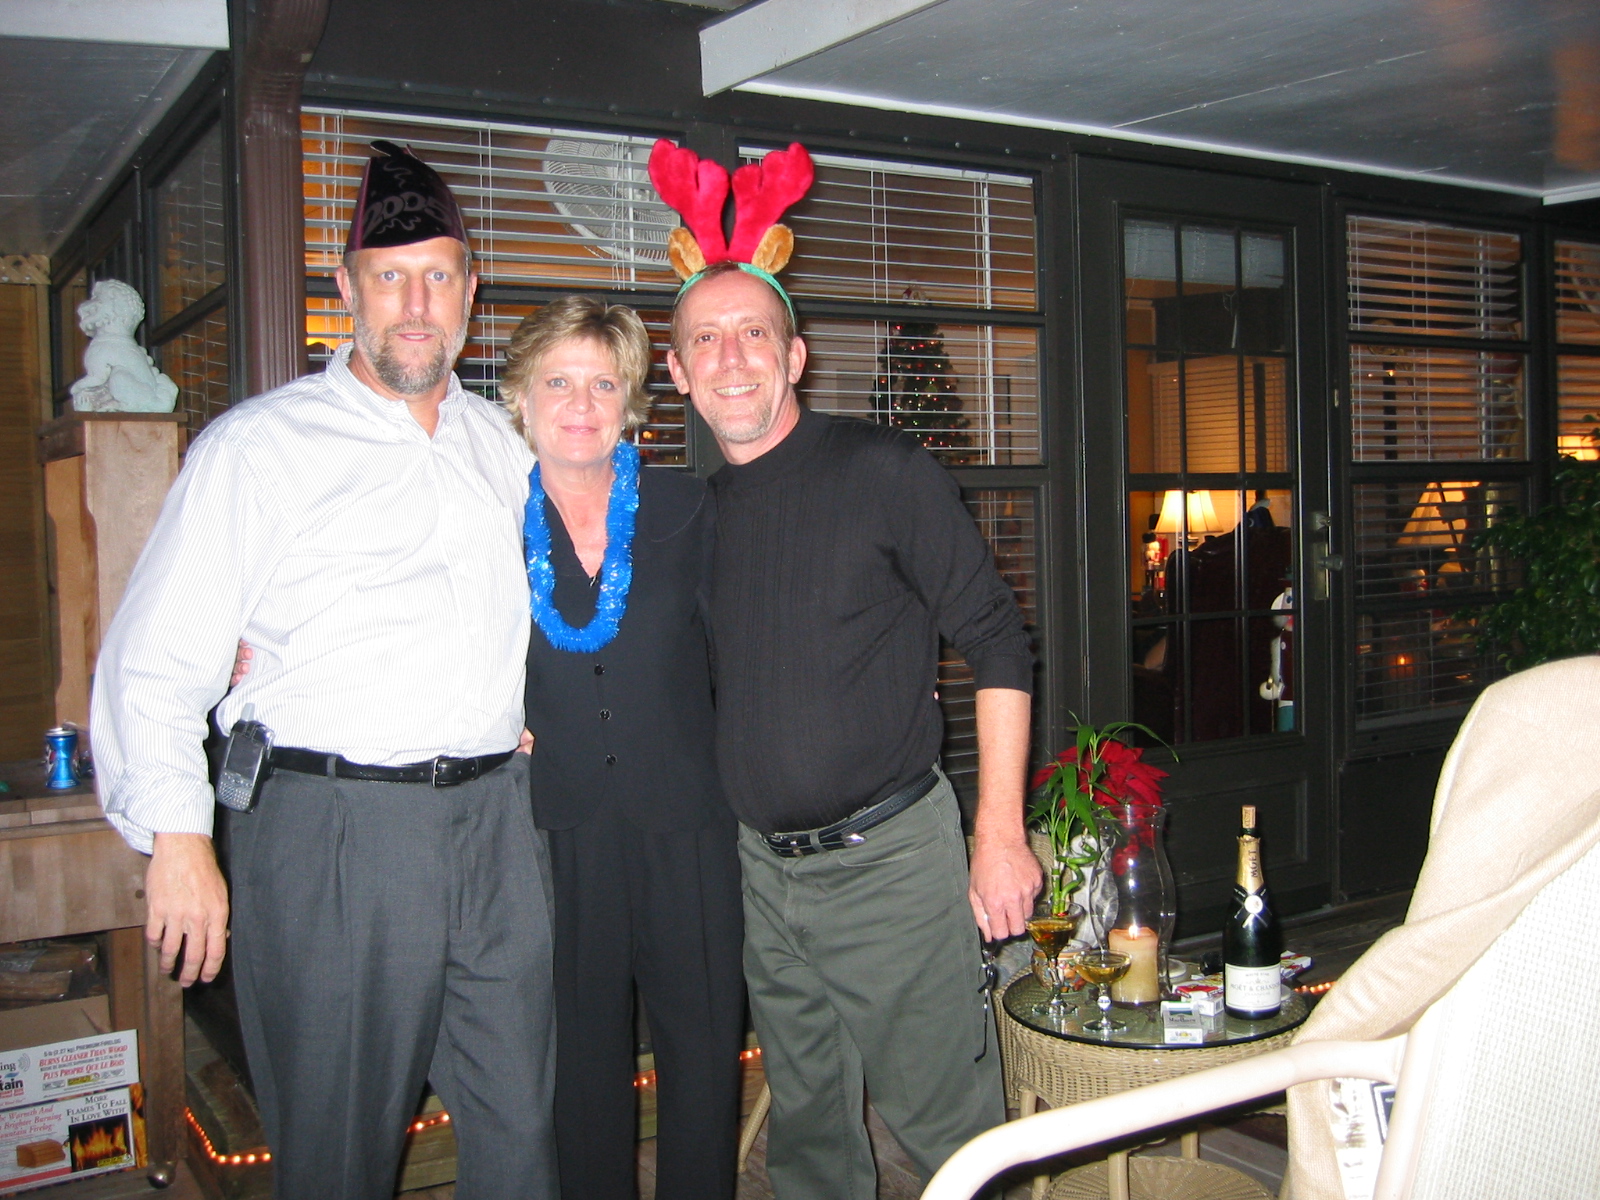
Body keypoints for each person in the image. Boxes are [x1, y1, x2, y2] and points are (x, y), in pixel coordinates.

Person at [90, 141, 557, 1200]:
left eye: (437, 276)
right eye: (390, 277)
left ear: (470, 291)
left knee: (524, 1136)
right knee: (339, 1154)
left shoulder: (503, 448)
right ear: (346, 288)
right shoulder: (260, 449)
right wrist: (179, 839)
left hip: (500, 830)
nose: (415, 305)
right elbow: (156, 656)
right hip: (335, 834)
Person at [665, 256, 1044, 1197]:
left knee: (954, 1138)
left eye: (753, 333)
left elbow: (998, 639)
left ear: (794, 356)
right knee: (809, 1140)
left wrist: (999, 835)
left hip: (889, 869)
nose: (731, 358)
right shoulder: (699, 517)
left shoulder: (884, 471)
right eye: (705, 339)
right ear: (678, 373)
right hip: (764, 875)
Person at [499, 296, 744, 1200]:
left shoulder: (688, 507)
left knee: (703, 1049)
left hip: (689, 822)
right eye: (559, 382)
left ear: (632, 401)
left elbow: (750, 640)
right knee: (581, 1057)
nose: (581, 404)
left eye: (603, 384)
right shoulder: (487, 517)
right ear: (522, 398)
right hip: (559, 829)